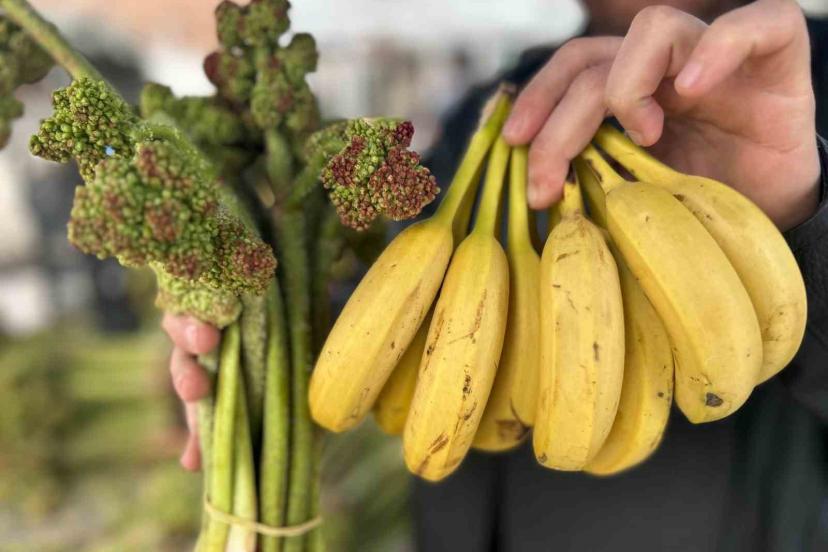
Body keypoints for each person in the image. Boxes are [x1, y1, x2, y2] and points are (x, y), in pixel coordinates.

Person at [163, 0, 828, 549]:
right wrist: (257, 339)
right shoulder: (499, 102)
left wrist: (801, 215)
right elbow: (407, 332)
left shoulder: (799, 79)